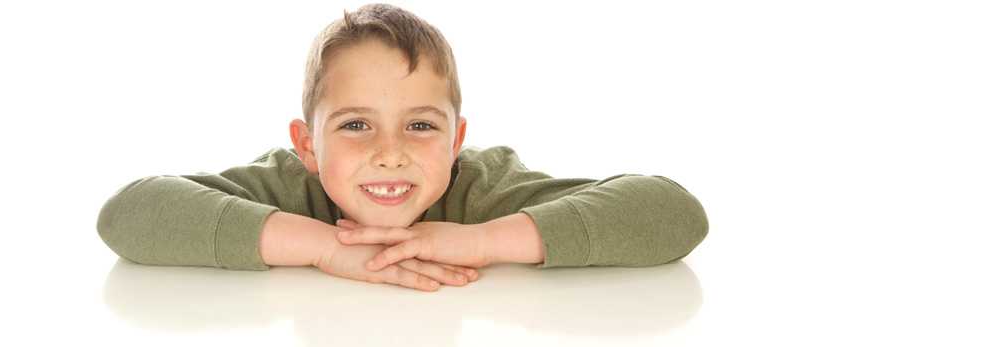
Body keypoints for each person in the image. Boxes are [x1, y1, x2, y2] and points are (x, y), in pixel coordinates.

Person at [96, 3, 708, 292]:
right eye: (356, 126)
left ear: (456, 140)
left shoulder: (482, 187)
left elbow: (673, 213)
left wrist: (479, 240)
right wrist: (323, 248)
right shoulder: (289, 185)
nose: (391, 153)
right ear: (306, 145)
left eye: (419, 126)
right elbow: (128, 213)